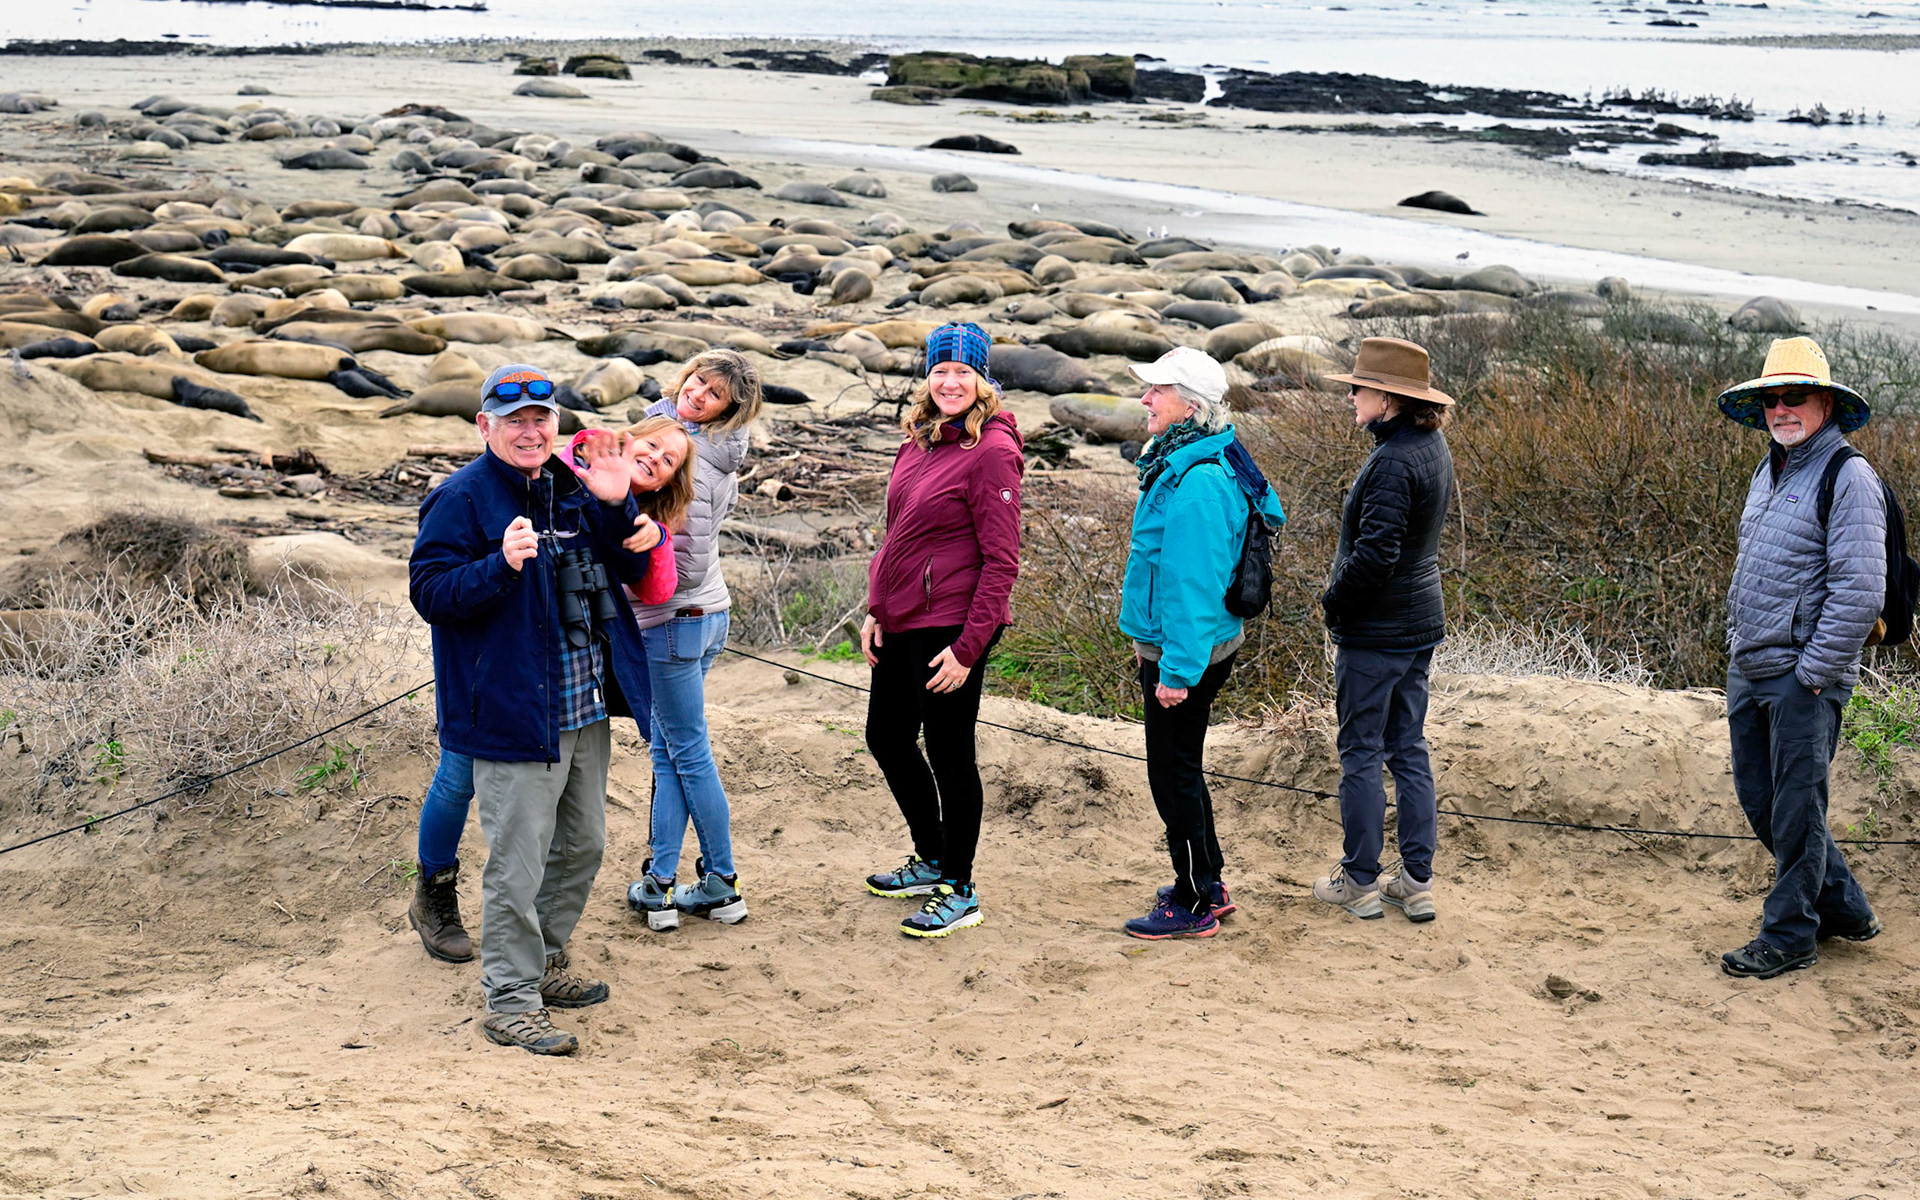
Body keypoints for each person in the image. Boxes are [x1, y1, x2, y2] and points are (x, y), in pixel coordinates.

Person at [409, 364, 661, 1056]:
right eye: (513, 420)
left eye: (541, 418)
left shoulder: (573, 488)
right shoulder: (459, 500)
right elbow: (429, 593)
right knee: (516, 863)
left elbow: (634, 572)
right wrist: (500, 566)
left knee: (582, 846)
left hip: (582, 704)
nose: (530, 430)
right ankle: (511, 1001)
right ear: (483, 425)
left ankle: (544, 961)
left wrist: (617, 509)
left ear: (557, 425)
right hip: (512, 709)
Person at [1716, 335, 1884, 979]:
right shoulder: (1770, 469)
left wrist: (1812, 673)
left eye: (1796, 398)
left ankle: (1789, 935)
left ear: (1826, 405)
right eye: (1771, 399)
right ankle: (1842, 905)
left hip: (1802, 677)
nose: (1781, 409)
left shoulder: (1850, 475)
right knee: (1763, 800)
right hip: (1752, 663)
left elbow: (1861, 587)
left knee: (1795, 807)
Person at [860, 322, 1023, 938]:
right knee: (887, 737)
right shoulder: (920, 440)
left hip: (952, 624)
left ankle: (960, 888)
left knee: (951, 756)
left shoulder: (993, 452)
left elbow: (1002, 562)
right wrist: (877, 606)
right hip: (902, 618)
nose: (950, 382)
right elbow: (897, 531)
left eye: (962, 372)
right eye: (939, 371)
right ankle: (932, 856)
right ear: (927, 379)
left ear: (983, 380)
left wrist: (966, 649)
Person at [1117, 347, 1285, 940]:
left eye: (1156, 391)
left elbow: (1192, 587)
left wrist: (1177, 673)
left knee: (1173, 775)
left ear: (1189, 407)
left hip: (1184, 652)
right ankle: (1207, 882)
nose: (1145, 400)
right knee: (1181, 768)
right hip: (1193, 646)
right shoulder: (1207, 457)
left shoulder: (1198, 483)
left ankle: (1193, 901)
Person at [1311, 338, 1454, 924]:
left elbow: (1375, 556)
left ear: (1390, 399)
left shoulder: (1394, 460)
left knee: (1362, 753)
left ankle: (1361, 882)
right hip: (1417, 622)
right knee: (1409, 747)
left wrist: (1333, 603)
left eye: (1358, 387)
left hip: (1378, 631)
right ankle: (1415, 882)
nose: (1349, 394)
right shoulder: (1429, 444)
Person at [621, 350, 763, 932]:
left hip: (677, 622)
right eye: (698, 382)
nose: (699, 395)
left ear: (728, 413)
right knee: (673, 751)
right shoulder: (679, 437)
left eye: (714, 395)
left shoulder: (696, 464)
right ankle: (659, 882)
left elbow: (675, 567)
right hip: (704, 615)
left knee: (687, 751)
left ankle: (722, 883)